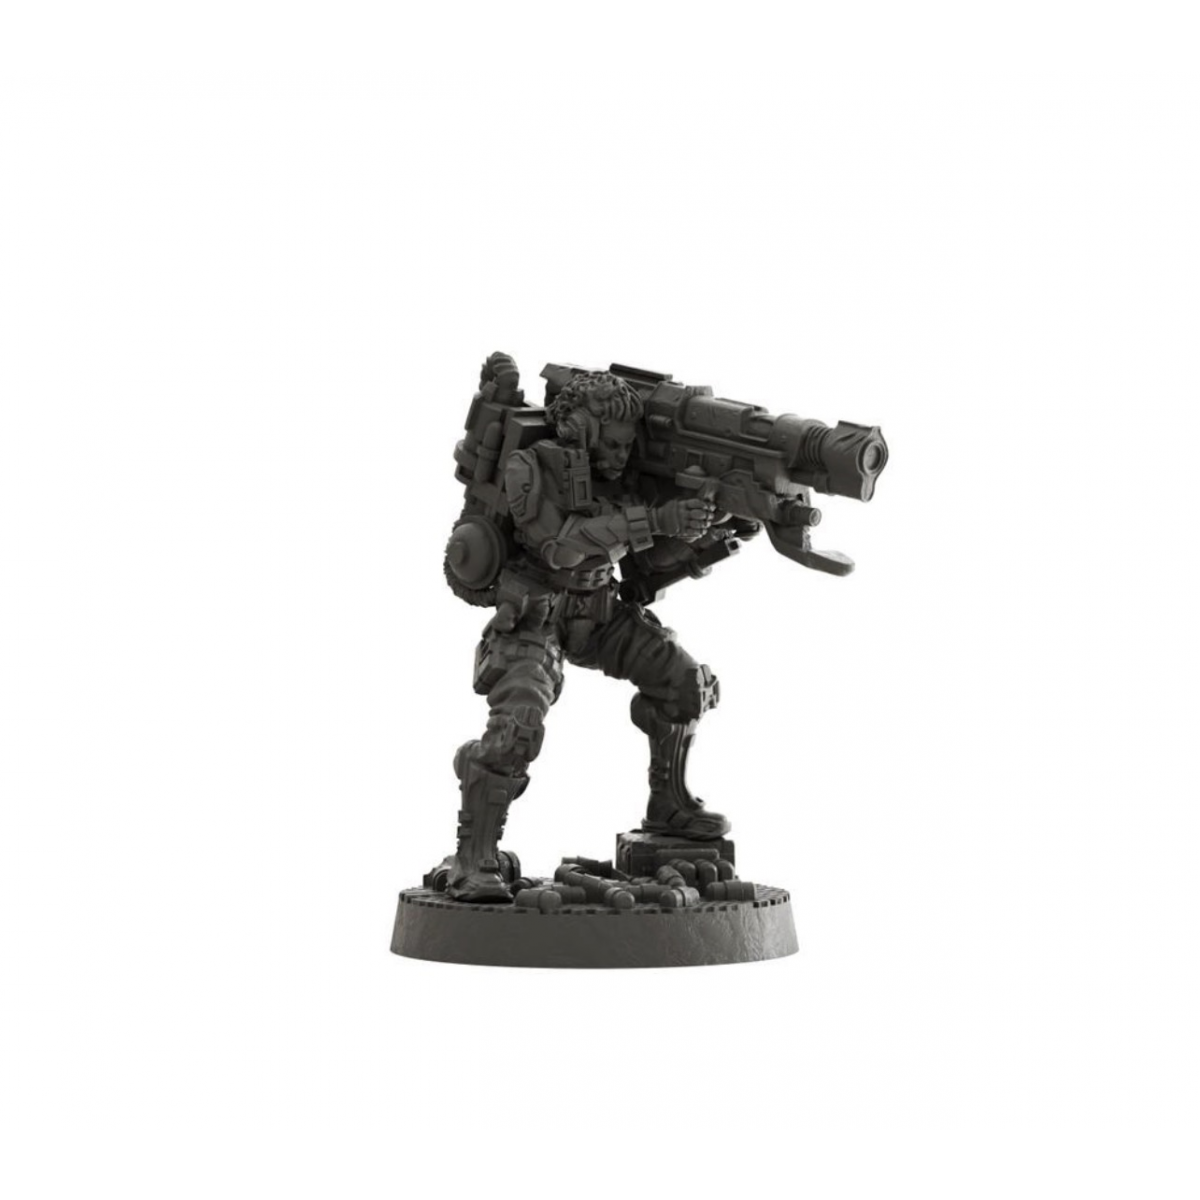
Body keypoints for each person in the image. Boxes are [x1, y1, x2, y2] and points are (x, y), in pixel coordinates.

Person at [446, 370, 730, 901]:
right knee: (518, 726)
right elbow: (561, 545)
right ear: (581, 430)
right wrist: (659, 519)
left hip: (599, 612)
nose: (622, 454)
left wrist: (712, 525)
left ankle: (668, 806)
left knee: (685, 682)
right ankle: (473, 857)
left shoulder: (625, 474)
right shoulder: (530, 466)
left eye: (627, 444)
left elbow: (647, 561)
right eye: (613, 443)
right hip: (536, 613)